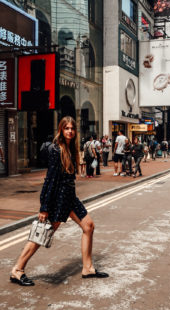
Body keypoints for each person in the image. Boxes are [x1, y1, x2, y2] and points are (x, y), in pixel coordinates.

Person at [9, 116, 108, 286]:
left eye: (72, 128)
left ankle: (87, 267)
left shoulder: (70, 149)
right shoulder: (56, 150)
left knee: (88, 226)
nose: (70, 131)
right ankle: (17, 270)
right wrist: (44, 207)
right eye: (66, 128)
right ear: (61, 130)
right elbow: (50, 179)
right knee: (44, 233)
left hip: (70, 196)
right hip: (59, 198)